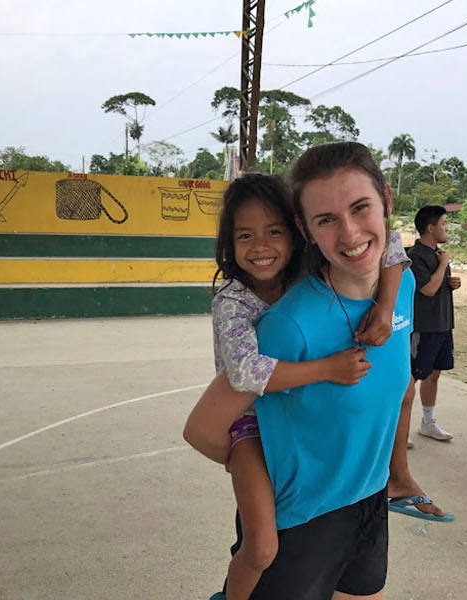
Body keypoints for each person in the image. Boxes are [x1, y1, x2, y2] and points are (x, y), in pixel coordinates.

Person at [181, 171, 410, 600]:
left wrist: (385, 305)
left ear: (297, 233)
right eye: (245, 236)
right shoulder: (234, 299)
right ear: (229, 245)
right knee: (264, 545)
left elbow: (393, 243)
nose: (261, 246)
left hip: (310, 440)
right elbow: (247, 373)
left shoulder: (305, 276)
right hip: (248, 426)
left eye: (274, 232)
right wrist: (327, 369)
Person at [407, 205, 460, 441]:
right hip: (423, 326)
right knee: (411, 377)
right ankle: (398, 427)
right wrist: (443, 266)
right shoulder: (414, 256)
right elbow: (427, 289)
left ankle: (428, 422)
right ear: (430, 228)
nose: (446, 228)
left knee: (434, 374)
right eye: (443, 224)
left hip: (442, 323)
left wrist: (451, 282)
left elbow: (437, 284)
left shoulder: (438, 254)